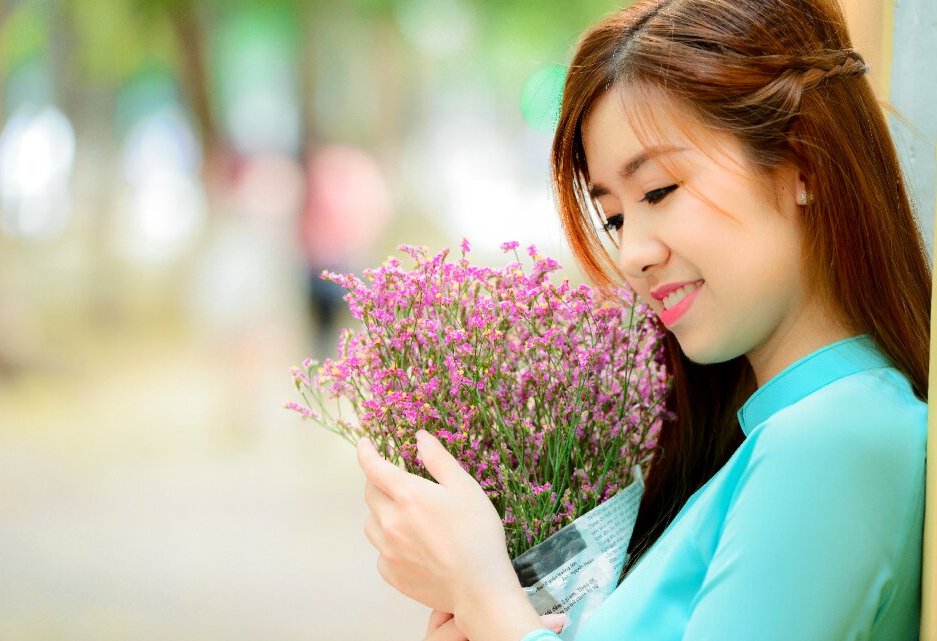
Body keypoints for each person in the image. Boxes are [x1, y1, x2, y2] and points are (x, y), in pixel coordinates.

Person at [355, 0, 931, 639]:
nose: (632, 256)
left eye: (658, 191)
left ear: (803, 162)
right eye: (616, 218)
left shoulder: (834, 442)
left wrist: (484, 592)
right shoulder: (763, 447)